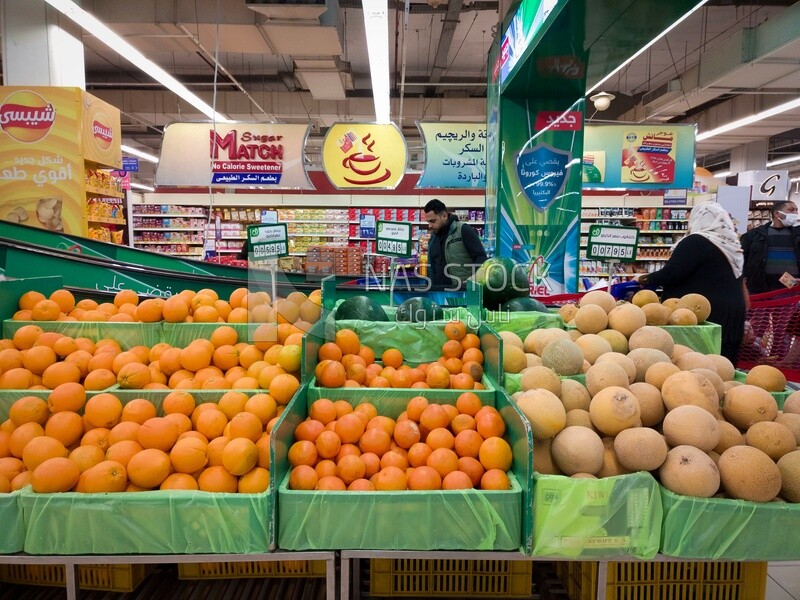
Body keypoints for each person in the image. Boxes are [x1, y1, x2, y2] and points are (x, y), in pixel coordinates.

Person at [637, 202, 746, 363]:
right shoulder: (731, 245)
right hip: (731, 314)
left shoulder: (695, 241)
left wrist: (645, 279)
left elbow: (673, 273)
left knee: (693, 363)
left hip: (701, 316)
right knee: (724, 364)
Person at [423, 199, 488, 288]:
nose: (429, 226)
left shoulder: (463, 230)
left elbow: (480, 256)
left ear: (444, 216)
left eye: (433, 221)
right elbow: (431, 267)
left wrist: (474, 278)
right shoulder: (433, 238)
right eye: (428, 222)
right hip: (439, 294)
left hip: (461, 292)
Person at [740, 200, 800, 294]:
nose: (795, 213)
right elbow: (740, 261)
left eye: (796, 210)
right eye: (791, 210)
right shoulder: (754, 235)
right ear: (777, 213)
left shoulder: (798, 235)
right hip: (761, 291)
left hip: (793, 291)